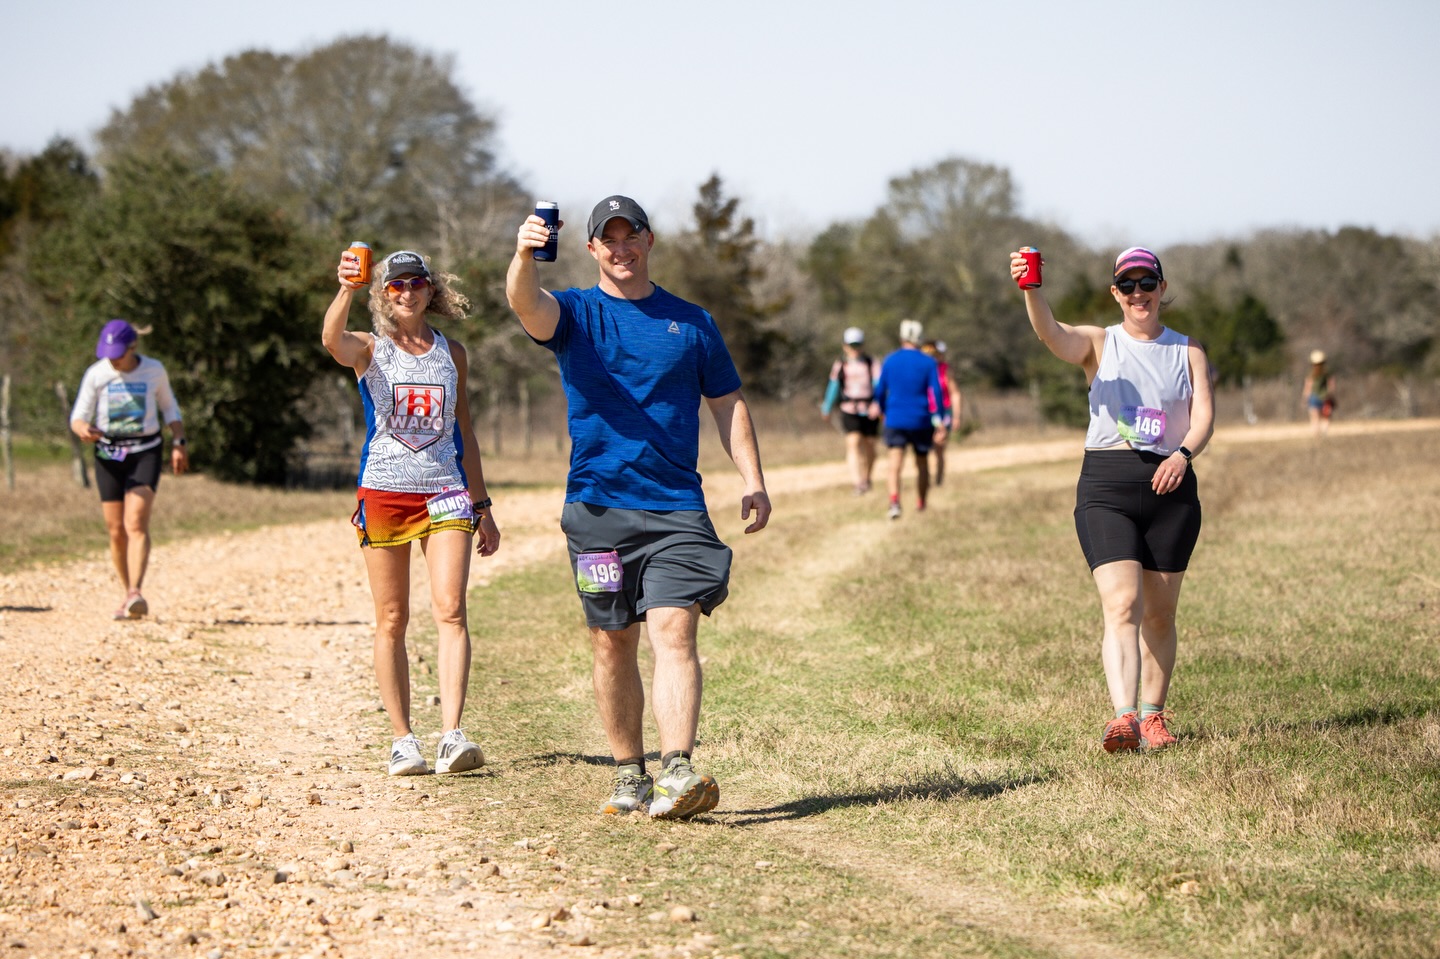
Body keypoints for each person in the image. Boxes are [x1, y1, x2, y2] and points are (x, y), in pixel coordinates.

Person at [506, 194, 771, 820]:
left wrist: (753, 478)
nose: (622, 248)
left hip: (678, 508)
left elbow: (728, 402)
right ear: (592, 248)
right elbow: (526, 304)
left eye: (633, 237)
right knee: (610, 640)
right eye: (609, 239)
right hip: (598, 512)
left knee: (674, 633)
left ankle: (678, 768)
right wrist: (523, 255)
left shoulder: (693, 321)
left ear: (649, 242)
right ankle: (630, 775)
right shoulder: (574, 312)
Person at [1009, 245, 1214, 752]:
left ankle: (1153, 717)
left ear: (1163, 289)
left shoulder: (1188, 351)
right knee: (1122, 603)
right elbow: (1050, 334)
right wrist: (1032, 290)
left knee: (1160, 613)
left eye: (1148, 283)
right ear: (1115, 294)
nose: (1139, 293)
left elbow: (1205, 416)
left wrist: (1183, 455)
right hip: (1107, 486)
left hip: (1171, 485)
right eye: (1128, 285)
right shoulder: (1101, 343)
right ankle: (1123, 718)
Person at [324, 247, 500, 777]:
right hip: (383, 492)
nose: (406, 293)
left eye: (415, 284)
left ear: (431, 291)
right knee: (393, 618)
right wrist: (346, 289)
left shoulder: (454, 354)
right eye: (395, 286)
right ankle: (403, 739)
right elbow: (331, 340)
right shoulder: (370, 350)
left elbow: (463, 431)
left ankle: (452, 735)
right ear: (383, 294)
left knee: (451, 610)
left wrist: (482, 504)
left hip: (446, 491)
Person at [69, 320, 189, 620]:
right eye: (109, 354)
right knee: (115, 531)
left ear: (133, 347)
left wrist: (178, 441)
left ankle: (136, 590)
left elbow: (170, 408)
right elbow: (78, 416)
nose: (113, 360)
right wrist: (83, 429)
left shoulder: (153, 370)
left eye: (118, 354)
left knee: (134, 522)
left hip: (144, 451)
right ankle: (128, 595)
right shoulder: (96, 374)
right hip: (107, 454)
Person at [874, 319, 945, 520]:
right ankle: (921, 503)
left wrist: (881, 410)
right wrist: (939, 418)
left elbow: (880, 391)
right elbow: (937, 391)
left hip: (895, 418)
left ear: (901, 337)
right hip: (921, 419)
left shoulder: (890, 360)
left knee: (895, 462)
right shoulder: (928, 362)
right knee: (922, 463)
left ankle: (895, 502)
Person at [821, 327, 882, 494]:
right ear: (844, 346)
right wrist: (826, 407)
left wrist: (878, 404)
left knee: (870, 445)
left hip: (870, 410)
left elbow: (879, 387)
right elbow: (833, 387)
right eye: (851, 345)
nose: (854, 349)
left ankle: (867, 477)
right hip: (849, 410)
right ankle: (857, 483)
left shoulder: (872, 363)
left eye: (857, 345)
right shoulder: (840, 365)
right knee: (853, 442)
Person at [920, 339, 964, 487]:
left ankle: (938, 480)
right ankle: (925, 478)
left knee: (939, 447)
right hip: (924, 412)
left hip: (943, 412)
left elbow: (955, 394)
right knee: (923, 448)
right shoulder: (921, 370)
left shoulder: (945, 370)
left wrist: (956, 416)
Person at [1303, 349, 1336, 437]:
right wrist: (1331, 396)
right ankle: (1325, 433)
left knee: (1314, 418)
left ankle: (1316, 435)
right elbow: (1331, 385)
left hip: (1314, 398)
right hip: (1325, 397)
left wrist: (1305, 397)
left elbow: (1308, 386)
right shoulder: (1327, 373)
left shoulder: (1311, 373)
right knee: (1326, 417)